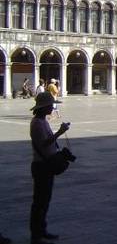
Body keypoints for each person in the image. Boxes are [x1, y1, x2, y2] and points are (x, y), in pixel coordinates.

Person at [29, 91, 69, 244]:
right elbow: (44, 143)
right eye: (50, 105)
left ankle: (42, 230)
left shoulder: (42, 121)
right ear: (43, 107)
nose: (52, 107)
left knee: (45, 200)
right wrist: (60, 132)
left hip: (45, 165)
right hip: (41, 166)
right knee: (39, 201)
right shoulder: (37, 123)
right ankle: (36, 235)